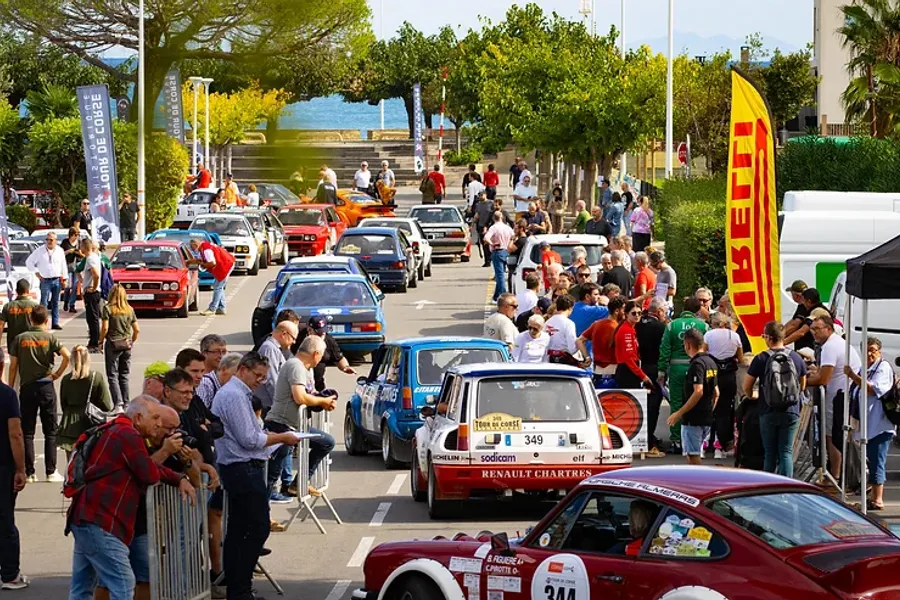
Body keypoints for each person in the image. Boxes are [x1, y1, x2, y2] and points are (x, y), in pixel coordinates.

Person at [67, 397, 195, 600]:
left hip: (87, 517)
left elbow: (146, 466)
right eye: (154, 418)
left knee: (82, 587)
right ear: (137, 417)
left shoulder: (116, 428)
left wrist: (178, 477)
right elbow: (150, 474)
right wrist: (169, 457)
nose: (159, 424)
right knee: (124, 584)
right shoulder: (127, 434)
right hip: (102, 521)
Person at [211, 353, 303, 600]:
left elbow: (255, 435)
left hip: (243, 466)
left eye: (264, 377)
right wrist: (282, 438)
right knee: (256, 528)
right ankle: (240, 588)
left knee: (240, 530)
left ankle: (239, 588)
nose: (260, 381)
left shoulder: (238, 394)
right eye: (258, 376)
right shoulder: (233, 395)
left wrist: (276, 439)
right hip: (241, 468)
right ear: (243, 370)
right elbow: (250, 440)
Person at [265, 336, 336, 496]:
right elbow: (300, 397)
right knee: (271, 476)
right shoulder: (295, 366)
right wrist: (322, 401)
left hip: (295, 426)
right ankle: (263, 517)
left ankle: (299, 483)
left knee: (326, 442)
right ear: (316, 353)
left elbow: (308, 394)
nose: (322, 359)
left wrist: (322, 398)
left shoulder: (305, 369)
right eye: (322, 355)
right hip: (280, 425)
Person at [8, 305, 69, 482]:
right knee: (51, 430)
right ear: (46, 320)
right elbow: (66, 356)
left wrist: (11, 388)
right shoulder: (50, 339)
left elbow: (13, 366)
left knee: (27, 431)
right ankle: (51, 471)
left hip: (27, 388)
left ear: (30, 319)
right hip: (46, 386)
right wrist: (57, 374)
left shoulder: (20, 339)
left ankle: (29, 472)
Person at [743, 321, 807, 477]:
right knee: (786, 451)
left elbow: (747, 385)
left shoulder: (761, 358)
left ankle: (769, 488)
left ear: (769, 338)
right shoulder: (796, 358)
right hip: (791, 410)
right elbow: (802, 385)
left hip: (768, 409)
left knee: (770, 452)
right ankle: (786, 488)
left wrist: (753, 395)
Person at [806, 314, 862, 481]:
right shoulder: (837, 343)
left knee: (832, 435)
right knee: (837, 435)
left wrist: (802, 381)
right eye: (812, 329)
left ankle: (834, 476)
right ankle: (837, 474)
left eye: (817, 329)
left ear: (828, 329)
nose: (814, 333)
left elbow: (824, 378)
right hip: (843, 395)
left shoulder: (830, 346)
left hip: (838, 397)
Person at [845, 336, 895, 511]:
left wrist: (852, 376)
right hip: (867, 424)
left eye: (872, 350)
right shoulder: (864, 369)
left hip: (880, 424)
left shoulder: (883, 368)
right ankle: (872, 497)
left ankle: (877, 499)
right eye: (866, 350)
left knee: (877, 460)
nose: (869, 354)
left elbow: (873, 389)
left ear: (879, 351)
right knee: (870, 460)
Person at [658, 296, 708, 454]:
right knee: (696, 400)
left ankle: (676, 439)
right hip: (698, 365)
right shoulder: (704, 326)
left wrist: (661, 370)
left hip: (676, 367)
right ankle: (698, 440)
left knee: (677, 402)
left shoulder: (672, 326)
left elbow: (664, 349)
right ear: (697, 309)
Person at [666, 328, 718, 465]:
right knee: (696, 454)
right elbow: (716, 392)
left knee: (693, 456)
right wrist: (710, 409)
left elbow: (698, 391)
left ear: (688, 345)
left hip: (692, 419)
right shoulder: (711, 362)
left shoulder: (697, 364)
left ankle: (699, 483)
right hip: (706, 416)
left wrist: (679, 413)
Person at [58, 345, 113, 461]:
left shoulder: (67, 380)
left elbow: (64, 403)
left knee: (72, 462)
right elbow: (106, 405)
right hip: (90, 422)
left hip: (70, 423)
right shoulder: (96, 377)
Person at [0, 362, 26, 590]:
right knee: (5, 520)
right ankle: (9, 574)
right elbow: (15, 433)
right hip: (2, 466)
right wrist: (21, 468)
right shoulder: (7, 395)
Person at [703, 312, 744, 459]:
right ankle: (721, 444)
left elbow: (703, 353)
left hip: (712, 374)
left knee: (709, 406)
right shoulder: (735, 336)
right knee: (725, 410)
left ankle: (706, 442)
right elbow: (740, 358)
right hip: (729, 376)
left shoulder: (708, 335)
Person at [98, 284, 139, 410]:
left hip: (113, 343)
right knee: (124, 374)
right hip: (126, 344)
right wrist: (132, 341)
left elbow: (105, 327)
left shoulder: (108, 309)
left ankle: (118, 403)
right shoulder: (129, 309)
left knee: (112, 375)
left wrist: (100, 341)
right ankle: (126, 403)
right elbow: (137, 329)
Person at [636, 298, 668, 457]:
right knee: (653, 406)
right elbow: (665, 350)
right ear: (660, 311)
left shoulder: (636, 324)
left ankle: (641, 437)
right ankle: (649, 439)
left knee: (637, 405)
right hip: (654, 369)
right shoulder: (662, 328)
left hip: (636, 369)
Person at [295, 316, 357, 393]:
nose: (321, 337)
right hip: (299, 384)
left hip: (317, 385)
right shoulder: (299, 338)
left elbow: (338, 358)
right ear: (309, 330)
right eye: (318, 334)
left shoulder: (328, 340)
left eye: (323, 334)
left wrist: (345, 367)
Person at [254, 321, 299, 419]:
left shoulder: (274, 349)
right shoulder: (269, 349)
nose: (294, 342)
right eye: (293, 338)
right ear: (283, 334)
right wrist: (281, 406)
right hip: (269, 407)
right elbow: (272, 380)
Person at [25, 231, 67, 331]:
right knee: (44, 303)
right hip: (45, 280)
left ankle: (55, 322)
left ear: (56, 241)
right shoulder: (40, 251)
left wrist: (65, 278)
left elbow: (63, 265)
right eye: (47, 240)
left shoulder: (60, 251)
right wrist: (36, 272)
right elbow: (29, 262)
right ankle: (42, 322)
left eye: (51, 240)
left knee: (55, 302)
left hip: (56, 279)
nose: (49, 242)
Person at [188, 238, 236, 316]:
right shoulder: (203, 248)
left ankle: (212, 308)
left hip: (225, 265)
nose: (192, 250)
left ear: (195, 245)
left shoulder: (206, 250)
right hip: (226, 263)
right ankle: (221, 308)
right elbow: (201, 260)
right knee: (219, 287)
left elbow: (212, 263)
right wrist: (190, 262)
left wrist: (203, 265)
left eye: (192, 247)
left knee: (217, 287)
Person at [615, 301, 652, 390]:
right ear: (627, 314)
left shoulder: (630, 329)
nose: (637, 315)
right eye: (634, 313)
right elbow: (628, 358)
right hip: (627, 371)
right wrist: (643, 376)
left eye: (639, 313)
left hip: (630, 370)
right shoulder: (626, 330)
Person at [545, 295, 587, 367]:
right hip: (564, 361)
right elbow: (572, 348)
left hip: (549, 360)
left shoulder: (547, 322)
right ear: (571, 308)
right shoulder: (569, 323)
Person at [784, 287, 830, 351]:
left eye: (803, 300)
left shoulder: (817, 312)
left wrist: (783, 342)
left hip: (813, 349)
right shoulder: (816, 310)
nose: (803, 303)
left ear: (809, 301)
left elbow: (801, 332)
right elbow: (792, 322)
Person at [77, 237, 103, 352]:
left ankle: (95, 342)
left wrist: (94, 287)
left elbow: (96, 275)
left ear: (85, 247)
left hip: (92, 293)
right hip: (91, 292)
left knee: (93, 319)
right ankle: (93, 341)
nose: (80, 248)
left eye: (81, 246)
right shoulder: (93, 257)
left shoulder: (91, 259)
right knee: (91, 318)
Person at [483, 211, 515, 302]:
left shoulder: (493, 228)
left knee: (500, 275)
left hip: (498, 251)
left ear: (494, 218)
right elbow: (513, 236)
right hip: (506, 251)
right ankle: (496, 297)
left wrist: (492, 244)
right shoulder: (507, 228)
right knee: (500, 274)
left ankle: (504, 296)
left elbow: (486, 238)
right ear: (502, 217)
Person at [0, 280, 37, 355]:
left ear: (16, 291)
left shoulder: (8, 306)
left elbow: (1, 325)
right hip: (29, 342)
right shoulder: (34, 306)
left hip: (13, 343)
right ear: (27, 290)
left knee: (13, 365)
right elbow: (41, 326)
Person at [60, 228, 81, 312]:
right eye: (75, 235)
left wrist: (78, 253)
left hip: (76, 265)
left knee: (75, 286)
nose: (76, 237)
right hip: (67, 265)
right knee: (67, 286)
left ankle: (72, 305)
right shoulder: (65, 242)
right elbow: (60, 253)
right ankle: (66, 302)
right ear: (71, 234)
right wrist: (68, 251)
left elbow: (82, 254)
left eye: (78, 235)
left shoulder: (79, 243)